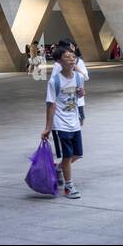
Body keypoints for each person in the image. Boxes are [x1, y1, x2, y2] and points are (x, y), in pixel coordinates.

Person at [42, 45, 86, 199]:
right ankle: (69, 186)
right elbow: (51, 104)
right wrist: (48, 128)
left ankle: (58, 168)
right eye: (67, 57)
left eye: (73, 57)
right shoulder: (54, 81)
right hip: (61, 123)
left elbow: (80, 95)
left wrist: (81, 93)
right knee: (67, 156)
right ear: (59, 61)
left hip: (74, 122)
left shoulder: (78, 77)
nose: (72, 59)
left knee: (78, 154)